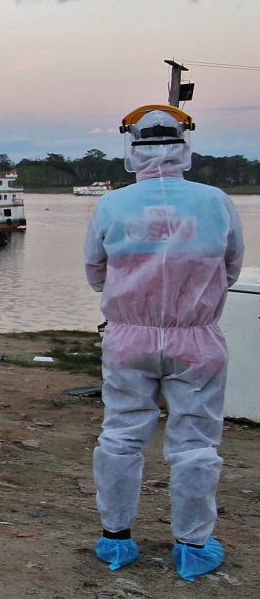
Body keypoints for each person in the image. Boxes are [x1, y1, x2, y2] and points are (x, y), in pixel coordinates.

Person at [84, 105, 244, 581]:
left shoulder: (111, 205)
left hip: (127, 336)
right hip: (196, 338)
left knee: (121, 435)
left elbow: (96, 272)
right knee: (195, 442)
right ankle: (192, 546)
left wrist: (133, 297)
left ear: (131, 149)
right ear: (183, 146)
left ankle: (116, 540)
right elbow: (231, 268)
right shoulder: (215, 201)